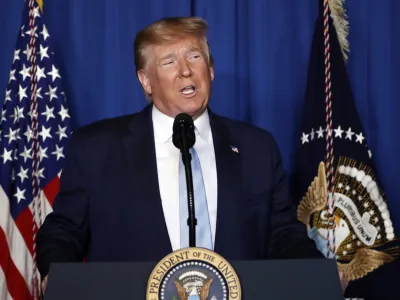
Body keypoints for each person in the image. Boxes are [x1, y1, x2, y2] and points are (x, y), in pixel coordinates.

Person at [37, 16, 339, 293]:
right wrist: (56, 273)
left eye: (194, 57)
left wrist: (318, 273)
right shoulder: (97, 148)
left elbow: (282, 235)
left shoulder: (256, 148)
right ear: (145, 80)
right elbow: (64, 230)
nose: (185, 70)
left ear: (210, 70)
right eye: (169, 61)